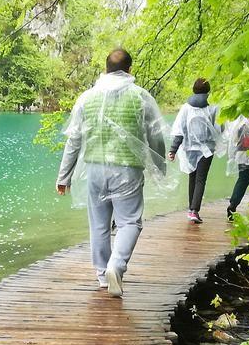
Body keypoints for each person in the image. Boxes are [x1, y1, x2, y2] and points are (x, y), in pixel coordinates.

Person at [56, 48, 166, 297]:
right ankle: (116, 266)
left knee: (98, 224)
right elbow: (156, 135)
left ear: (105, 69)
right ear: (129, 70)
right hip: (126, 170)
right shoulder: (140, 97)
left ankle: (102, 276)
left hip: (95, 169)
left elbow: (74, 139)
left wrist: (64, 177)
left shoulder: (87, 98)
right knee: (130, 222)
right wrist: (159, 168)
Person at [168, 78, 222, 224]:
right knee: (200, 180)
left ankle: (191, 209)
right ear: (208, 92)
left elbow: (180, 129)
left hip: (189, 149)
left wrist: (173, 150)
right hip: (206, 150)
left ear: (193, 90)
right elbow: (218, 129)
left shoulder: (186, 107)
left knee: (192, 178)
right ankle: (194, 211)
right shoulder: (211, 108)